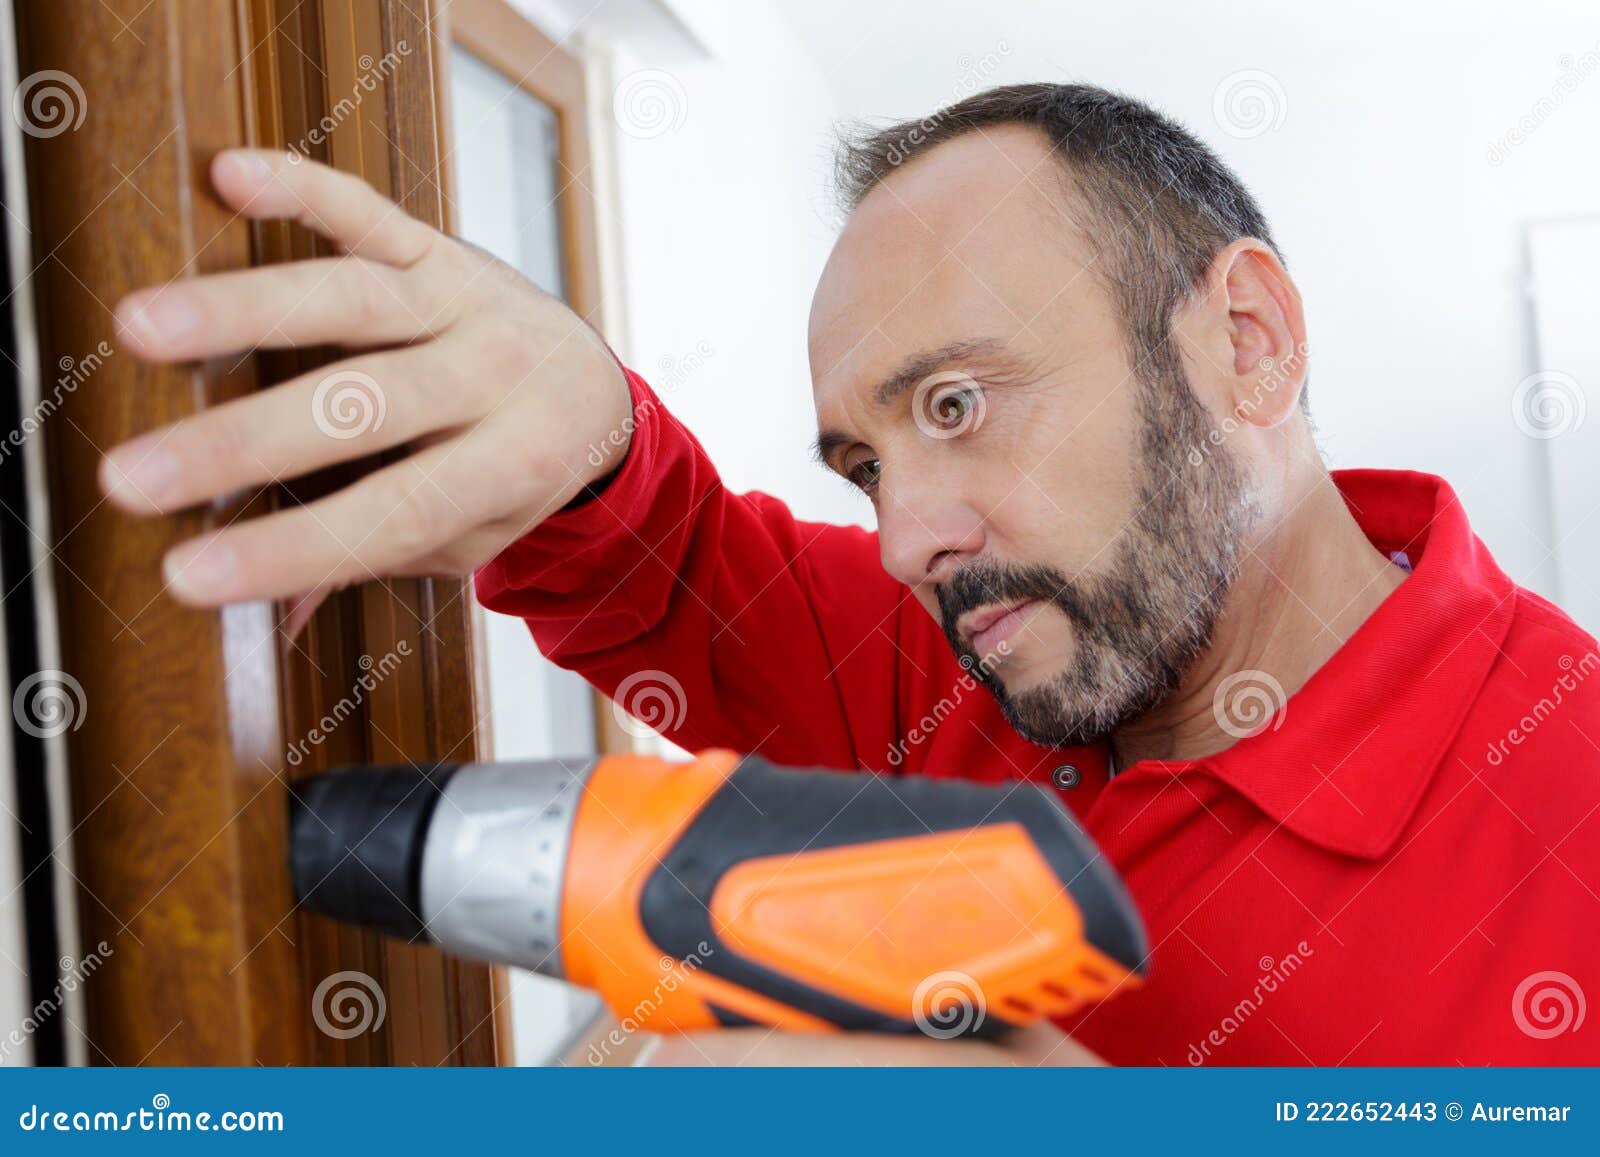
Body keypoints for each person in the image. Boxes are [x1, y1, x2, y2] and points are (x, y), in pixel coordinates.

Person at [101, 84, 1598, 1065]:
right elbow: (675, 559)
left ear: (1248, 343)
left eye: (957, 403)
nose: (906, 538)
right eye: (867, 463)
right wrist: (579, 429)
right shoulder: (970, 653)